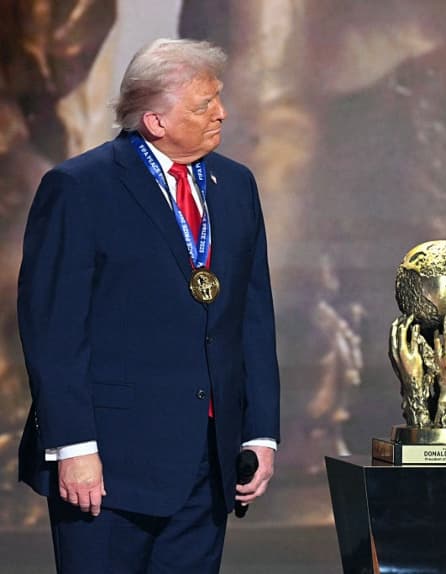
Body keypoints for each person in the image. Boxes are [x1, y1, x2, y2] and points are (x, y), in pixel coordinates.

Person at [17, 38, 280, 573]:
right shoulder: (79, 187)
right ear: (156, 121)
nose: (221, 113)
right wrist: (74, 448)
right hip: (109, 466)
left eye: (218, 99)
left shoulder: (235, 185)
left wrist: (260, 432)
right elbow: (54, 330)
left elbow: (253, 316)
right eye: (204, 104)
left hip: (208, 463)